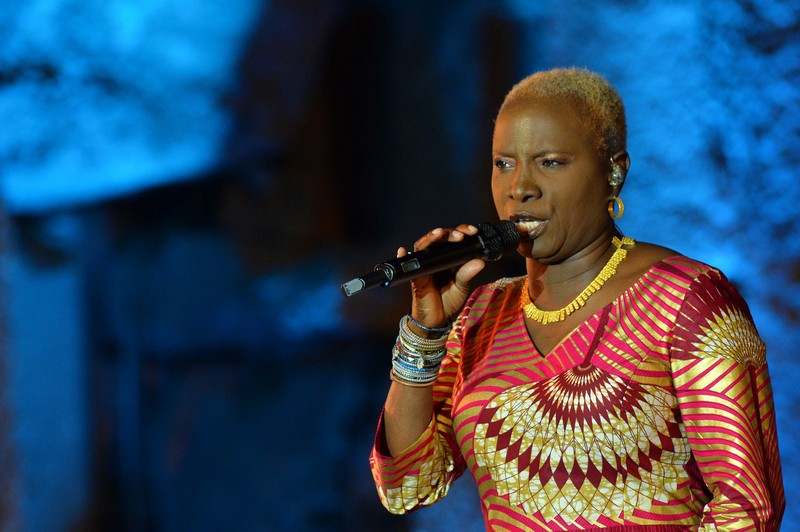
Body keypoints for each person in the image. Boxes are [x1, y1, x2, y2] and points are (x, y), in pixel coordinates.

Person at [367, 67, 784, 530]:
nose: (519, 187)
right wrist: (425, 333)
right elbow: (405, 487)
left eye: (550, 161)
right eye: (503, 163)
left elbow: (748, 508)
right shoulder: (483, 314)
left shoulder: (687, 299)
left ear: (614, 172)